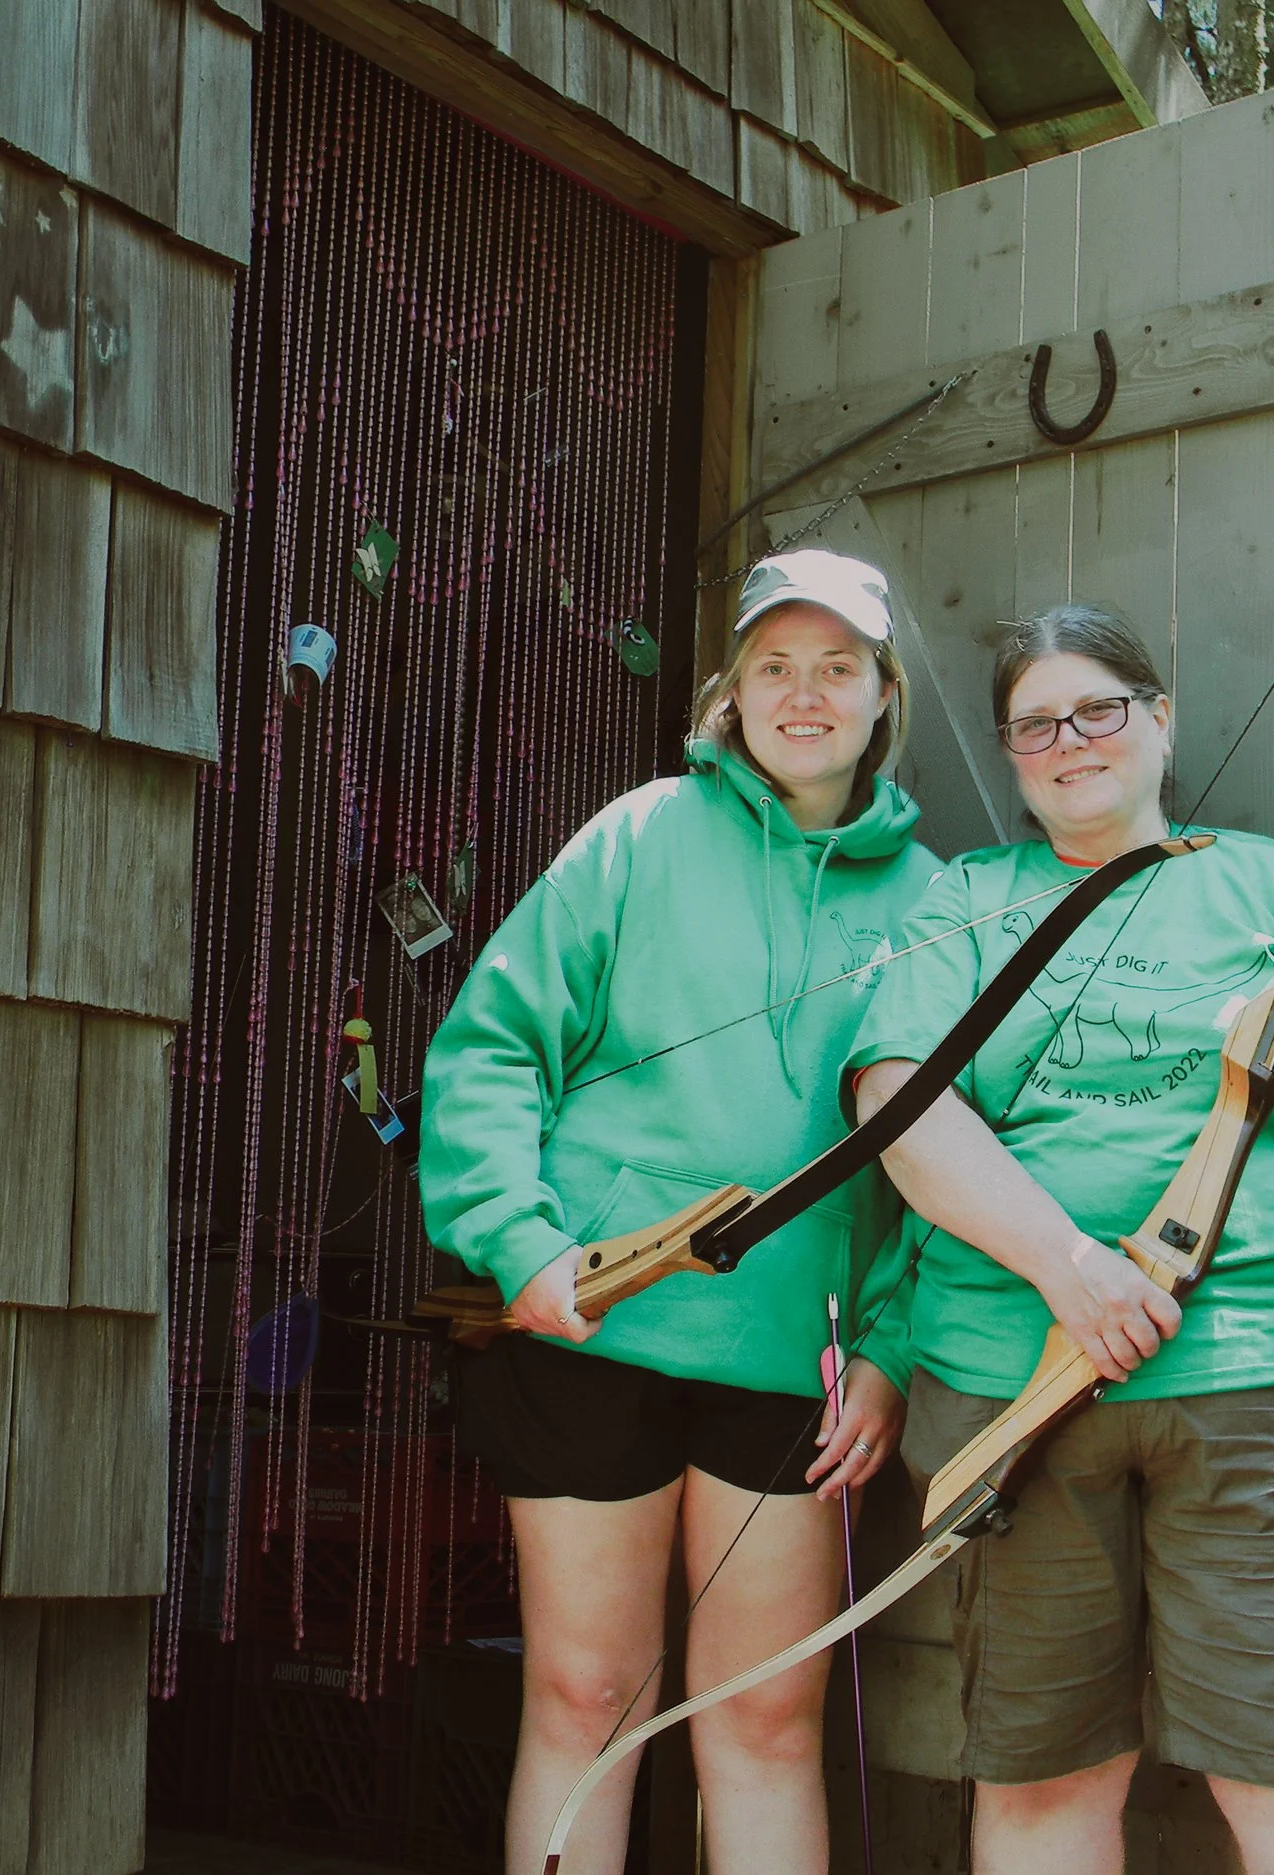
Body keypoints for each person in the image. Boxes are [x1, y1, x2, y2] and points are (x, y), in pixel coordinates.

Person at [845, 603, 1274, 1875]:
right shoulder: (969, 901)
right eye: (1034, 726)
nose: (1069, 740)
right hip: (1012, 1387)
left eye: (1098, 709)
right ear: (1011, 760)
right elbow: (895, 1103)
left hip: (1255, 1392)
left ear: (1157, 719)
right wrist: (1067, 1267)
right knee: (1039, 1786)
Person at [421, 549, 939, 1875]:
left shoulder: (938, 902)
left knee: (767, 1715)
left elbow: (940, 1166)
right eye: (776, 664)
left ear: (884, 694)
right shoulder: (642, 831)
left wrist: (883, 1351)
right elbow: (491, 1048)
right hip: (599, 1326)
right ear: (732, 690)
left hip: (790, 1365)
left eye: (837, 667)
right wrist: (519, 1240)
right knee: (588, 1693)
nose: (804, 694)